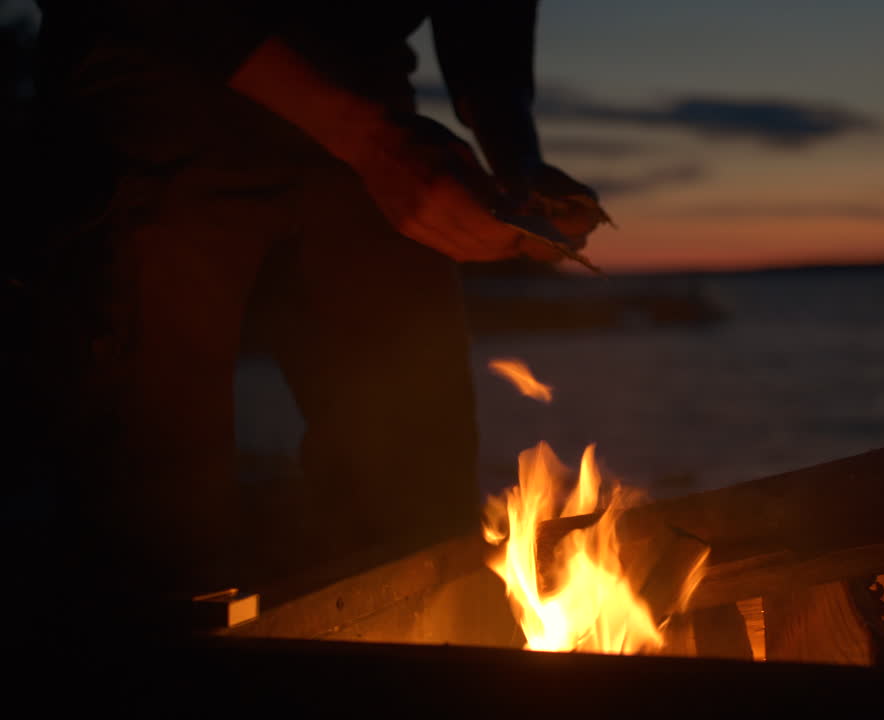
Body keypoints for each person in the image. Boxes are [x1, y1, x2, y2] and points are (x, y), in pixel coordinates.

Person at [29, 0, 603, 631]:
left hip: (367, 90)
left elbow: (487, 22)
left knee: (417, 494)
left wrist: (517, 161)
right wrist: (373, 143)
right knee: (150, 512)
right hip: (153, 77)